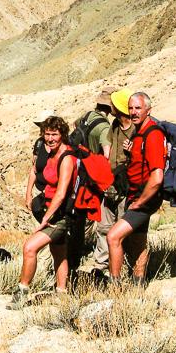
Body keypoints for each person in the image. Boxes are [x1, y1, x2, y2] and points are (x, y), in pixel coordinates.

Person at [10, 116, 76, 309]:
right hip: (51, 211)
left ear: (62, 134)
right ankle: (62, 294)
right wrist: (29, 194)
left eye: (54, 134)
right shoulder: (51, 153)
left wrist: (46, 219)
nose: (50, 138)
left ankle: (22, 292)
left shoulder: (66, 158)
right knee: (59, 252)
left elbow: (61, 193)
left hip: (60, 215)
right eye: (47, 134)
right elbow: (36, 171)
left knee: (30, 248)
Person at [106, 92, 166, 283]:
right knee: (138, 240)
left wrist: (140, 203)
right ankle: (139, 281)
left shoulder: (153, 134)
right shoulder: (139, 133)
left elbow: (157, 176)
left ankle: (114, 286)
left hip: (145, 197)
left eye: (138, 108)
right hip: (136, 194)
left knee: (113, 237)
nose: (133, 112)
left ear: (149, 109)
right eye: (131, 108)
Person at [90, 86, 144, 274]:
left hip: (125, 186)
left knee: (122, 230)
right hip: (109, 184)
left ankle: (124, 268)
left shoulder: (136, 130)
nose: (110, 106)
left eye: (112, 103)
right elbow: (108, 150)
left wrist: (133, 150)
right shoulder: (114, 125)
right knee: (103, 227)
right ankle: (100, 267)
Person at [67, 88, 115, 275]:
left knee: (79, 214)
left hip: (79, 169)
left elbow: (75, 125)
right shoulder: (104, 127)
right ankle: (88, 256)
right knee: (94, 212)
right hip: (92, 173)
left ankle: (75, 251)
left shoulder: (87, 116)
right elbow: (107, 153)